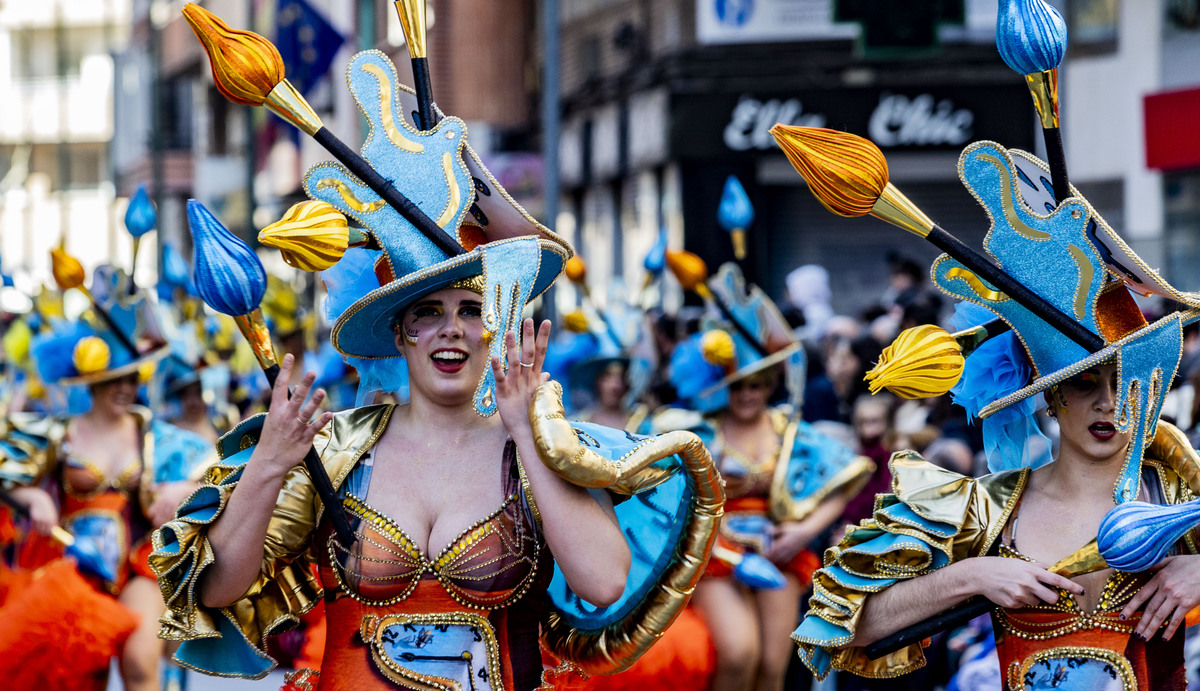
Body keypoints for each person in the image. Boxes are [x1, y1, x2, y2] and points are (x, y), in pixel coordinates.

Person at [151, 29, 721, 690]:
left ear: (495, 326)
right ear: (399, 334)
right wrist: (272, 462)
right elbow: (220, 587)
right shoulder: (335, 451)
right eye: (427, 312)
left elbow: (602, 581)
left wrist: (527, 433)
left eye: (471, 309)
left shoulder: (531, 446)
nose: (450, 330)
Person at [790, 138, 1200, 689]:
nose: (1107, 402)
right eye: (1083, 384)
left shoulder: (1179, 492)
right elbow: (848, 623)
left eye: (1122, 380)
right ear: (1049, 395)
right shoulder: (990, 509)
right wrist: (974, 575)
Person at [656, 262, 874, 691]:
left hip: (778, 553)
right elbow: (665, 497)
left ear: (770, 382)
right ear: (722, 386)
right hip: (713, 553)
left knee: (773, 668)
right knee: (739, 655)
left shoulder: (786, 430)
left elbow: (848, 475)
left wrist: (802, 532)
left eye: (757, 384)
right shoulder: (700, 431)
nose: (748, 395)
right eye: (738, 387)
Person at [0, 272, 207, 691]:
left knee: (139, 660)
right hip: (71, 567)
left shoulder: (154, 436)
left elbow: (214, 478)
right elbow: (7, 470)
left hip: (135, 567)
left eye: (134, 378)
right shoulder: (59, 433)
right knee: (77, 668)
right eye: (117, 378)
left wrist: (183, 492)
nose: (127, 388)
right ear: (94, 380)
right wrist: (32, 496)